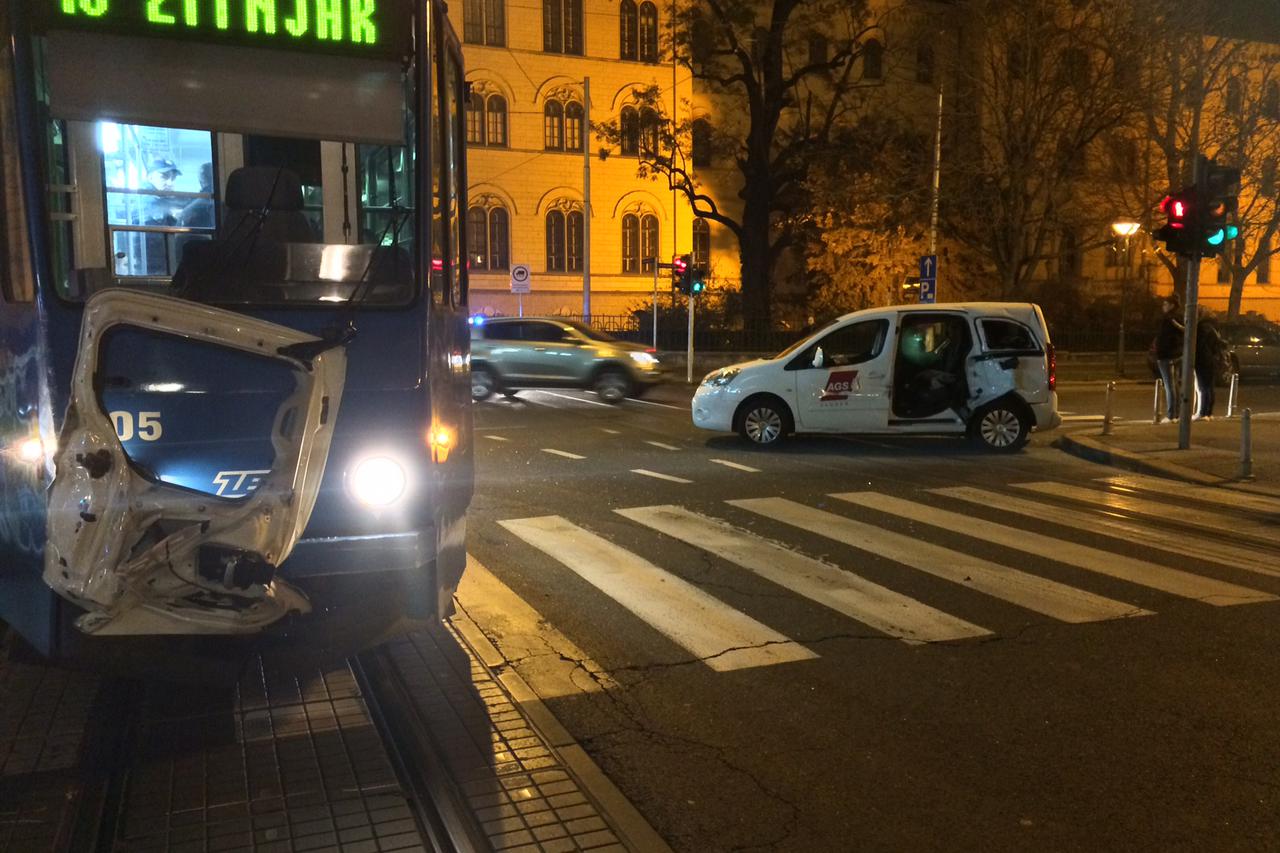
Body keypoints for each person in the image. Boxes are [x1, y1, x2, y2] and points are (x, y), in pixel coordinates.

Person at [1153, 295, 1183, 421]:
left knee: (1169, 386)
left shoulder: (1168, 319)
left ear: (1171, 306)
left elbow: (1164, 338)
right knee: (1174, 385)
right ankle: (1177, 413)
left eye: (1165, 304)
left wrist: (1159, 352)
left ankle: (1172, 415)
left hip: (1166, 355)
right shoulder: (1179, 318)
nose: (1163, 307)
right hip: (1177, 355)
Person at [1194, 316, 1226, 420]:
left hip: (1202, 360)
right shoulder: (1213, 330)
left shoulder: (1202, 329)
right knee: (1209, 387)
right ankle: (1209, 412)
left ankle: (1203, 412)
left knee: (1203, 387)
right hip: (1212, 360)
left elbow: (1199, 346)